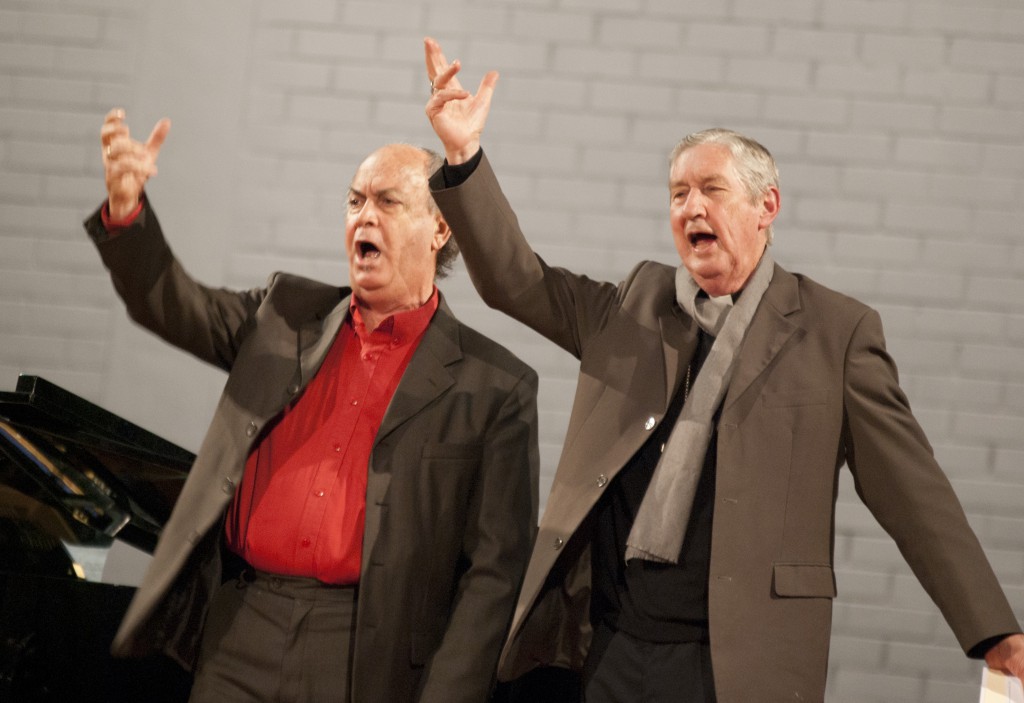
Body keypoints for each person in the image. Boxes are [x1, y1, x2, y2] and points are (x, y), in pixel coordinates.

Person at [421, 38, 1024, 702]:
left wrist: (991, 629)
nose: (691, 206)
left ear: (767, 208)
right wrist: (463, 155)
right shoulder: (635, 302)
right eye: (679, 192)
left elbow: (912, 491)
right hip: (608, 646)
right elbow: (517, 281)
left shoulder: (835, 332)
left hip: (736, 661)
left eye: (711, 188)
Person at [84, 108, 540, 703]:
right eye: (354, 202)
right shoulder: (283, 313)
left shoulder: (494, 384)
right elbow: (172, 305)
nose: (364, 217)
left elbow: (495, 574)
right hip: (240, 628)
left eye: (387, 202)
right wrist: (128, 213)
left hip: (360, 650)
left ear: (441, 228)